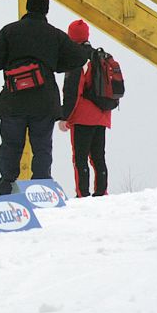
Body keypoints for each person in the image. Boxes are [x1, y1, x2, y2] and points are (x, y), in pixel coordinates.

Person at [0, 0, 92, 195]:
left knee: (10, 146)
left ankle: (6, 188)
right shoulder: (55, 35)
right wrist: (52, 64)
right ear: (46, 10)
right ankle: (41, 189)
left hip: (13, 100)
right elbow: (78, 58)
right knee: (42, 147)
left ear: (27, 7)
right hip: (44, 102)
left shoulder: (9, 31)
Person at [58, 20, 110, 197]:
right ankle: (102, 192)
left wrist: (64, 116)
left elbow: (73, 91)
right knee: (98, 157)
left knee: (80, 158)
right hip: (102, 115)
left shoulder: (76, 59)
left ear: (71, 37)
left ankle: (83, 194)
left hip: (82, 117)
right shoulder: (99, 56)